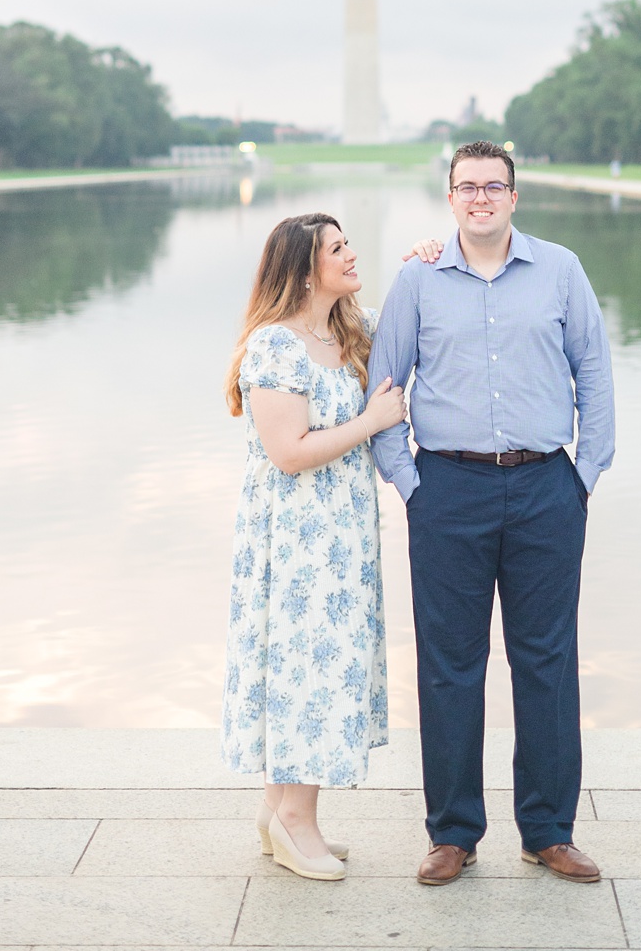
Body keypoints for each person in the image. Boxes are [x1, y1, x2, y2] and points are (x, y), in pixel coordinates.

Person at [368, 139, 614, 888]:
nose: (480, 198)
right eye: (467, 187)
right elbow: (385, 387)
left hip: (545, 490)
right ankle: (453, 833)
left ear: (515, 197)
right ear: (450, 198)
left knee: (546, 663)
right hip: (448, 491)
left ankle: (548, 831)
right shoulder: (417, 280)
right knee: (449, 668)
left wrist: (584, 478)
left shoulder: (561, 271)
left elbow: (594, 373)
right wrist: (412, 484)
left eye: (493, 186)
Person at [220, 212, 406, 881]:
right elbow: (289, 452)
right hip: (296, 545)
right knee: (308, 670)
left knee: (328, 665)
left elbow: (416, 316)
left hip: (342, 539)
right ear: (302, 270)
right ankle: (298, 822)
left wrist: (427, 259)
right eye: (337, 248)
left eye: (348, 242)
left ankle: (278, 813)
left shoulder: (348, 329)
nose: (352, 254)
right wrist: (371, 421)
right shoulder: (276, 346)